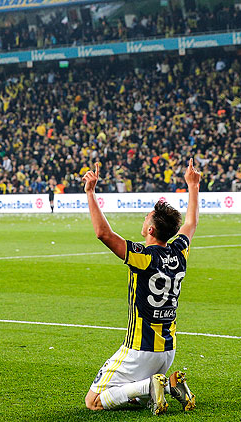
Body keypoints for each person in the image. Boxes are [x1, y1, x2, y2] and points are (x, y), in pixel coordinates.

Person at [82, 159, 200, 415]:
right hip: (167, 351)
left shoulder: (143, 256)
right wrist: (193, 186)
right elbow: (191, 224)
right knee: (129, 395)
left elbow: (103, 233)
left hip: (140, 350)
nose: (144, 218)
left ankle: (151, 384)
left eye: (146, 217)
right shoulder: (179, 252)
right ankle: (170, 385)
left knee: (94, 402)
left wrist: (90, 192)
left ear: (150, 229)